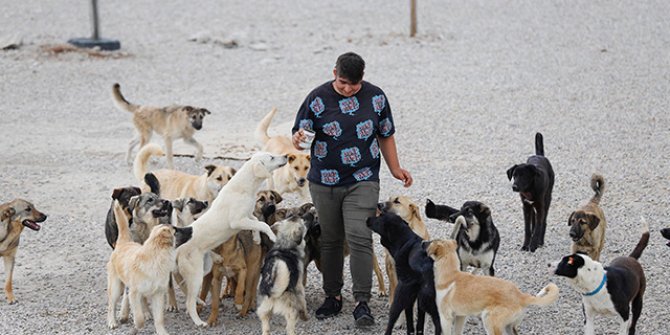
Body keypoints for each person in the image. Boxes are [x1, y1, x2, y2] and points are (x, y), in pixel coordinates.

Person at [291, 52, 412, 328]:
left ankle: (362, 302)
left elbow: (385, 133)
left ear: (363, 79)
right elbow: (300, 139)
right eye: (343, 82)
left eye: (354, 85)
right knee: (330, 239)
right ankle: (333, 295)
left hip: (363, 177)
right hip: (324, 181)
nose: (348, 89)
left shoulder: (376, 97)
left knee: (360, 236)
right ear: (334, 72)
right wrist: (297, 140)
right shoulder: (317, 98)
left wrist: (395, 168)